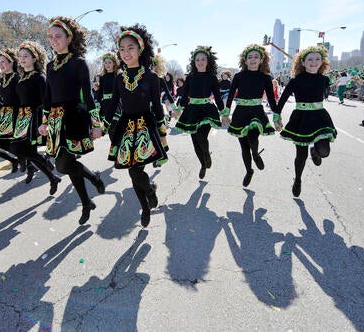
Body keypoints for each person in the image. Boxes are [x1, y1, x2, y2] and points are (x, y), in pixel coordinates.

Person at [38, 16, 105, 225]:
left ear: (69, 38)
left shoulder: (78, 63)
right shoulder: (50, 66)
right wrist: (45, 121)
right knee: (66, 164)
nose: (54, 40)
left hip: (74, 117)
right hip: (56, 121)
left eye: (58, 36)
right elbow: (47, 97)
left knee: (64, 164)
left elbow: (88, 95)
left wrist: (96, 124)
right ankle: (87, 200)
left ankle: (93, 181)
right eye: (50, 37)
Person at [104, 24, 166, 227]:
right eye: (122, 49)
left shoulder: (151, 77)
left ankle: (149, 193)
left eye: (130, 48)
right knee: (133, 171)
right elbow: (113, 104)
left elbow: (157, 107)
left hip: (145, 127)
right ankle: (147, 201)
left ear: (140, 49)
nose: (126, 53)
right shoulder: (119, 78)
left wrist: (163, 133)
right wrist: (102, 126)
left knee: (135, 171)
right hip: (125, 127)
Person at [273, 46, 337, 197]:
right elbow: (281, 100)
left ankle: (314, 152)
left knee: (324, 152)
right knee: (300, 156)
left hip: (320, 117)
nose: (314, 62)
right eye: (310, 59)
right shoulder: (295, 81)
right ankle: (298, 180)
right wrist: (277, 117)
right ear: (303, 62)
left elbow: (330, 84)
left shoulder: (324, 79)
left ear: (322, 62)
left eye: (317, 59)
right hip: (301, 118)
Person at [221, 44, 277, 187]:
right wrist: (226, 113)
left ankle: (256, 154)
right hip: (240, 113)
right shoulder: (239, 76)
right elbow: (231, 95)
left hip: (257, 112)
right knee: (244, 146)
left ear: (261, 60)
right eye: (250, 57)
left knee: (253, 136)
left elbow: (271, 98)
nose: (253, 59)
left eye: (256, 57)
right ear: (245, 61)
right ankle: (249, 171)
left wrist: (277, 116)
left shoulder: (265, 77)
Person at [9, 40, 61, 193]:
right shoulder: (21, 78)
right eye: (20, 56)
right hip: (22, 117)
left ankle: (46, 169)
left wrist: (44, 122)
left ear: (35, 58)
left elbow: (46, 101)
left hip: (35, 117)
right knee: (20, 149)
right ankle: (51, 176)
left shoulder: (40, 77)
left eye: (26, 56)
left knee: (23, 149)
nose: (22, 59)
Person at [175, 45, 225, 179]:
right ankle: (203, 164)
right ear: (194, 62)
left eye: (203, 59)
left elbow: (218, 97)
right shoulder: (190, 77)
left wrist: (224, 112)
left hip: (207, 110)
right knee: (195, 142)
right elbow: (185, 95)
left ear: (208, 61)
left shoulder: (212, 77)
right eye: (197, 59)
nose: (200, 62)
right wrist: (178, 108)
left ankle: (207, 154)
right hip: (192, 111)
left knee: (201, 137)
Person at [95, 52, 120, 130]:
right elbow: (99, 93)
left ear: (114, 63)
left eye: (109, 62)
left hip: (116, 104)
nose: (107, 64)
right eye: (105, 63)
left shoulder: (118, 76)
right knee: (109, 130)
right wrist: (97, 101)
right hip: (105, 105)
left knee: (115, 128)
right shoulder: (102, 77)